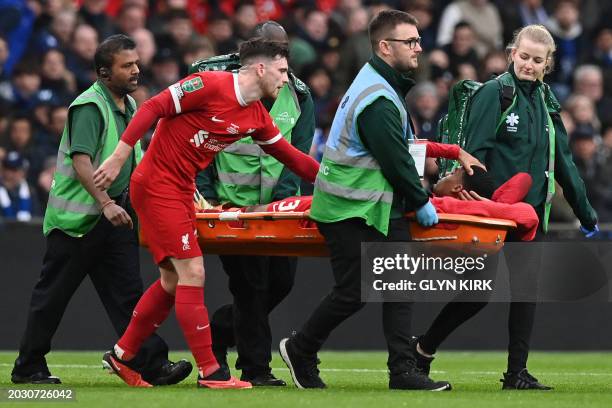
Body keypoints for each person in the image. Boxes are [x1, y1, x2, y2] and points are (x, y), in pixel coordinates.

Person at [92, 38, 320, 389]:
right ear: (260, 68)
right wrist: (121, 154)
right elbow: (153, 107)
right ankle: (212, 372)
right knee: (193, 272)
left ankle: (123, 354)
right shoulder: (211, 84)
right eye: (282, 71)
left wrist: (336, 180)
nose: (286, 80)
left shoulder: (257, 115)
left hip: (181, 190)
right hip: (156, 185)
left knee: (172, 281)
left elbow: (293, 158)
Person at [278, 10, 482, 391]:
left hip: (375, 205)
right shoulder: (378, 97)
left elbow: (398, 149)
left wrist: (446, 155)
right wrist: (423, 199)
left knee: (400, 283)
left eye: (419, 40)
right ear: (385, 47)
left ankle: (403, 371)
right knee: (354, 291)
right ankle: (301, 348)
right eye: (411, 42)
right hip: (347, 208)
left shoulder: (381, 86)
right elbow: (395, 159)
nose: (419, 48)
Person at [410, 24, 599, 390]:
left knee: (527, 293)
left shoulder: (548, 103)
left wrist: (585, 211)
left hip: (531, 216)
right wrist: (500, 203)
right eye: (524, 56)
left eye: (537, 60)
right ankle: (422, 349)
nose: (529, 64)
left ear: (549, 64)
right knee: (478, 293)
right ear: (512, 53)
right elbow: (473, 159)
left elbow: (563, 161)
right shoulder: (494, 94)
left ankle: (516, 373)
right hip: (493, 214)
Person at [11, 35, 192, 386]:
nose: (137, 70)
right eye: (127, 65)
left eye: (136, 63)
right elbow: (82, 162)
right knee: (52, 298)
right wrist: (106, 203)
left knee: (129, 297)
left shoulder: (130, 106)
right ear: (105, 73)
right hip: (77, 222)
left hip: (115, 219)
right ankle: (28, 367)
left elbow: (137, 161)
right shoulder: (89, 106)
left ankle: (150, 364)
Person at [192, 21, 315, 387]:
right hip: (232, 206)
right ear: (256, 57)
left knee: (281, 283)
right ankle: (256, 368)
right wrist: (205, 192)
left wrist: (284, 204)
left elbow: (298, 152)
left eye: (284, 54)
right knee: (250, 286)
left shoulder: (300, 95)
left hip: (277, 208)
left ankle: (222, 329)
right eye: (273, 53)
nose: (281, 61)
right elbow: (199, 142)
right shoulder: (220, 85)